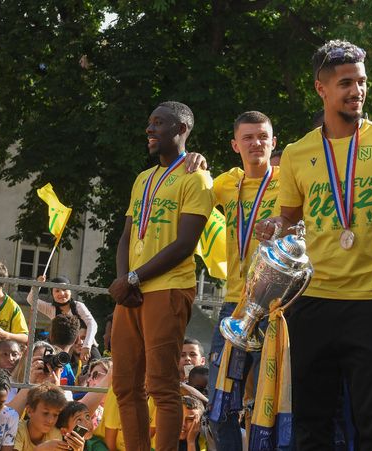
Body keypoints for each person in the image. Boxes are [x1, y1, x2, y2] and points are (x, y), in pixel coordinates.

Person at [255, 40, 372, 449]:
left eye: (361, 82)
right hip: (312, 300)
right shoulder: (299, 152)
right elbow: (289, 216)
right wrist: (274, 223)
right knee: (311, 422)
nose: (357, 91)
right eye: (345, 83)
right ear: (321, 88)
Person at [109, 100, 213, 451]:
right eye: (149, 123)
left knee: (162, 386)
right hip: (133, 291)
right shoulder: (143, 179)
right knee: (125, 385)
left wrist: (134, 278)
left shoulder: (196, 177)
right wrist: (124, 281)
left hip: (167, 288)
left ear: (181, 130)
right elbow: (126, 235)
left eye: (159, 123)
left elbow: (185, 243)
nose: (150, 130)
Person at [207, 110, 281, 450]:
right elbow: (194, 194)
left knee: (276, 403)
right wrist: (193, 160)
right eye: (248, 138)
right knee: (220, 401)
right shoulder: (225, 183)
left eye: (263, 136)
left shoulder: (289, 179)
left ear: (273, 142)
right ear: (235, 144)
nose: (257, 143)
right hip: (234, 306)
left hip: (279, 307)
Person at [29, 275, 99, 353]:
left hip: (86, 347)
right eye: (57, 291)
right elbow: (31, 300)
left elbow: (92, 324)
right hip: (64, 350)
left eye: (65, 289)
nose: (62, 293)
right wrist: (38, 285)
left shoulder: (78, 306)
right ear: (52, 294)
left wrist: (87, 345)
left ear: (70, 291)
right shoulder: (51, 309)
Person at [14, 383, 84, 451]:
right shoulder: (18, 430)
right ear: (29, 411)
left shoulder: (55, 432)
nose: (51, 420)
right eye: (45, 413)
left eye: (55, 415)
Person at [48, 314, 80, 388]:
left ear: (51, 336)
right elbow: (73, 391)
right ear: (77, 339)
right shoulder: (67, 367)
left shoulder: (35, 360)